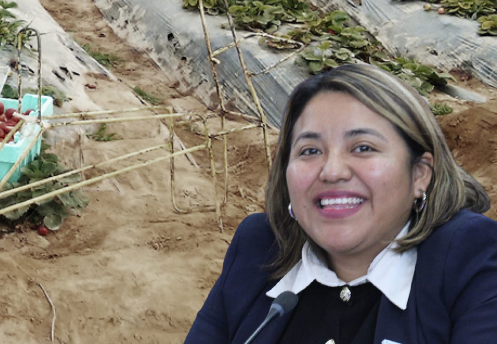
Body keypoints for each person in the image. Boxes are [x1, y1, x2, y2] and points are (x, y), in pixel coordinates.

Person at [185, 62, 497, 344]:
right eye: (309, 151)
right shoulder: (258, 247)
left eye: (362, 147)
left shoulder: (471, 256)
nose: (332, 171)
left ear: (420, 174)